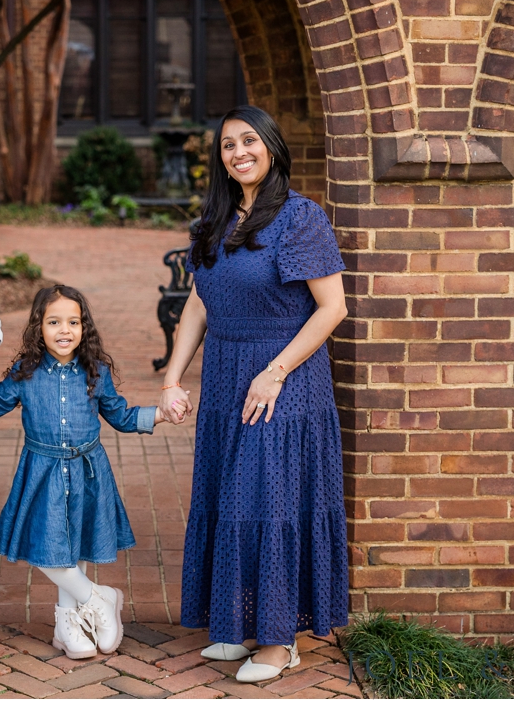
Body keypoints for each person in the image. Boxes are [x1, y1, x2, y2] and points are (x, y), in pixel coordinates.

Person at [157, 105, 349, 683]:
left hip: (283, 377)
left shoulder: (299, 218)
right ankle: (240, 625)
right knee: (231, 496)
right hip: (225, 376)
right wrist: (172, 377)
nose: (238, 153)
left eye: (249, 142)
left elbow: (332, 307)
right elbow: (198, 303)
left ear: (271, 147)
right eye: (227, 146)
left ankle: (278, 640)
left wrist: (277, 371)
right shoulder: (213, 221)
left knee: (267, 500)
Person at [0, 285, 180, 659]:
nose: (64, 330)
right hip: (42, 471)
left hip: (87, 471)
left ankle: (68, 625)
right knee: (48, 549)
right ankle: (101, 597)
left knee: (72, 547)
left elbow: (122, 416)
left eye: (73, 322)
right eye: (54, 322)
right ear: (38, 328)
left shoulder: (96, 371)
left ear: (84, 327)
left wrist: (160, 414)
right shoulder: (24, 372)